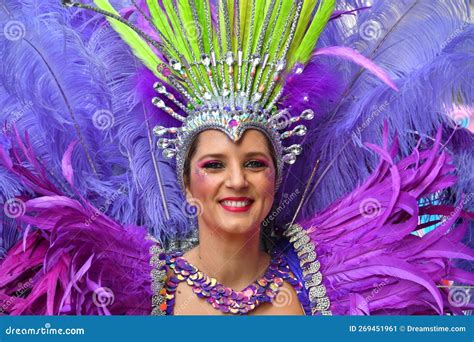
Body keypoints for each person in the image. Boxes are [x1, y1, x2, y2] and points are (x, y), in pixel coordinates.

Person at [0, 0, 473, 316]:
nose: (236, 181)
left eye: (254, 163)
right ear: (186, 185)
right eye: (213, 165)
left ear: (275, 178)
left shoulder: (347, 281)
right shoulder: (108, 281)